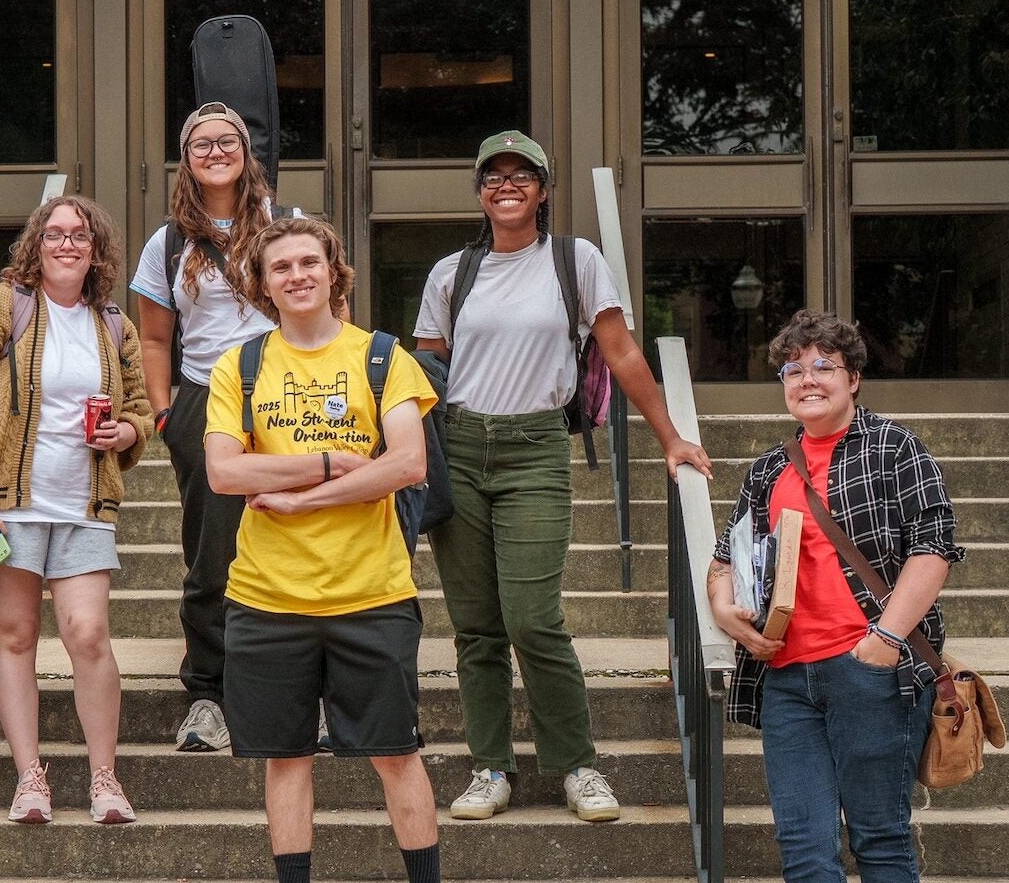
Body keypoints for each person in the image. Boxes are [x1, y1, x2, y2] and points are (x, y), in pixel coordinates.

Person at [413, 129, 712, 822]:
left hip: (536, 449)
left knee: (533, 619)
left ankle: (578, 764)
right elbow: (425, 372)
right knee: (477, 627)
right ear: (480, 190)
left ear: (544, 191)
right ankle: (490, 767)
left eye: (524, 175)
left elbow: (623, 352)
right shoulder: (450, 273)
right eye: (495, 175)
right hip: (459, 446)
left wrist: (671, 437)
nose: (508, 185)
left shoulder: (574, 261)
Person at [206, 216, 441, 883]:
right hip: (267, 597)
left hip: (372, 593)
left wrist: (304, 497)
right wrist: (329, 462)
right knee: (287, 758)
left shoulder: (382, 357)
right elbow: (225, 473)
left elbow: (407, 464)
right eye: (281, 268)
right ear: (263, 284)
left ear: (333, 271)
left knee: (398, 753)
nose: (297, 275)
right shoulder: (240, 366)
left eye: (309, 262)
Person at [708, 310, 959, 883]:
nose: (808, 380)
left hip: (869, 672)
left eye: (825, 366)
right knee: (803, 850)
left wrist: (885, 642)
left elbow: (934, 547)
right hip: (788, 682)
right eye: (793, 370)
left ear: (854, 379)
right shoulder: (770, 468)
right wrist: (726, 611)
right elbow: (725, 559)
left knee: (880, 841)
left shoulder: (894, 449)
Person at [0, 194, 151, 825]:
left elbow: (137, 408)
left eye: (79, 235)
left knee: (87, 634)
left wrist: (127, 435)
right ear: (36, 244)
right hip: (7, 504)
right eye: (54, 233)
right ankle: (31, 777)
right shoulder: (1, 308)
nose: (66, 243)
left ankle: (104, 778)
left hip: (85, 504)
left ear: (96, 249)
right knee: (16, 633)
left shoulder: (115, 324)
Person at [130, 101, 291, 752]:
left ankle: (292, 689)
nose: (216, 151)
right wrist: (167, 413)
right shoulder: (167, 242)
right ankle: (209, 696)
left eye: (228, 140)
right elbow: (153, 337)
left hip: (287, 398)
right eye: (202, 143)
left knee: (298, 540)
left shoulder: (289, 226)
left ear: (247, 152)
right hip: (204, 401)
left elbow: (329, 307)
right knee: (212, 554)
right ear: (186, 158)